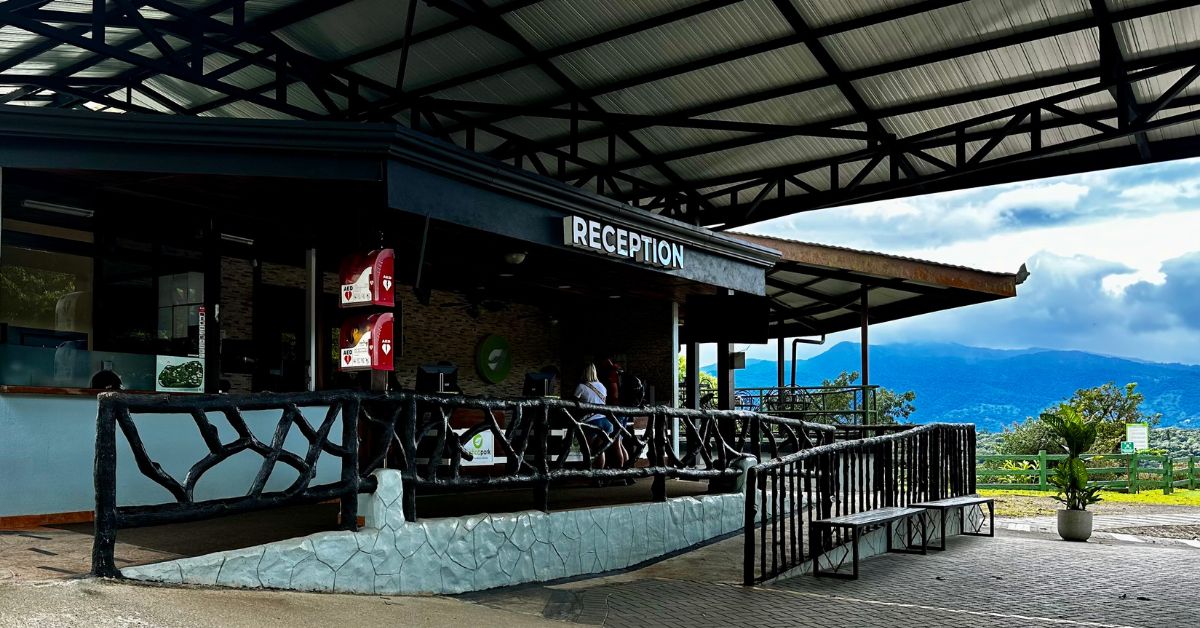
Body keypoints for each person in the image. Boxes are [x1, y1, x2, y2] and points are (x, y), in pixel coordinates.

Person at [574, 363, 626, 470]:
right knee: (599, 449)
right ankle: (599, 475)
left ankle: (588, 472)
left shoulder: (581, 387)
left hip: (590, 422)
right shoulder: (602, 386)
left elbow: (574, 403)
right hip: (606, 423)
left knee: (587, 450)